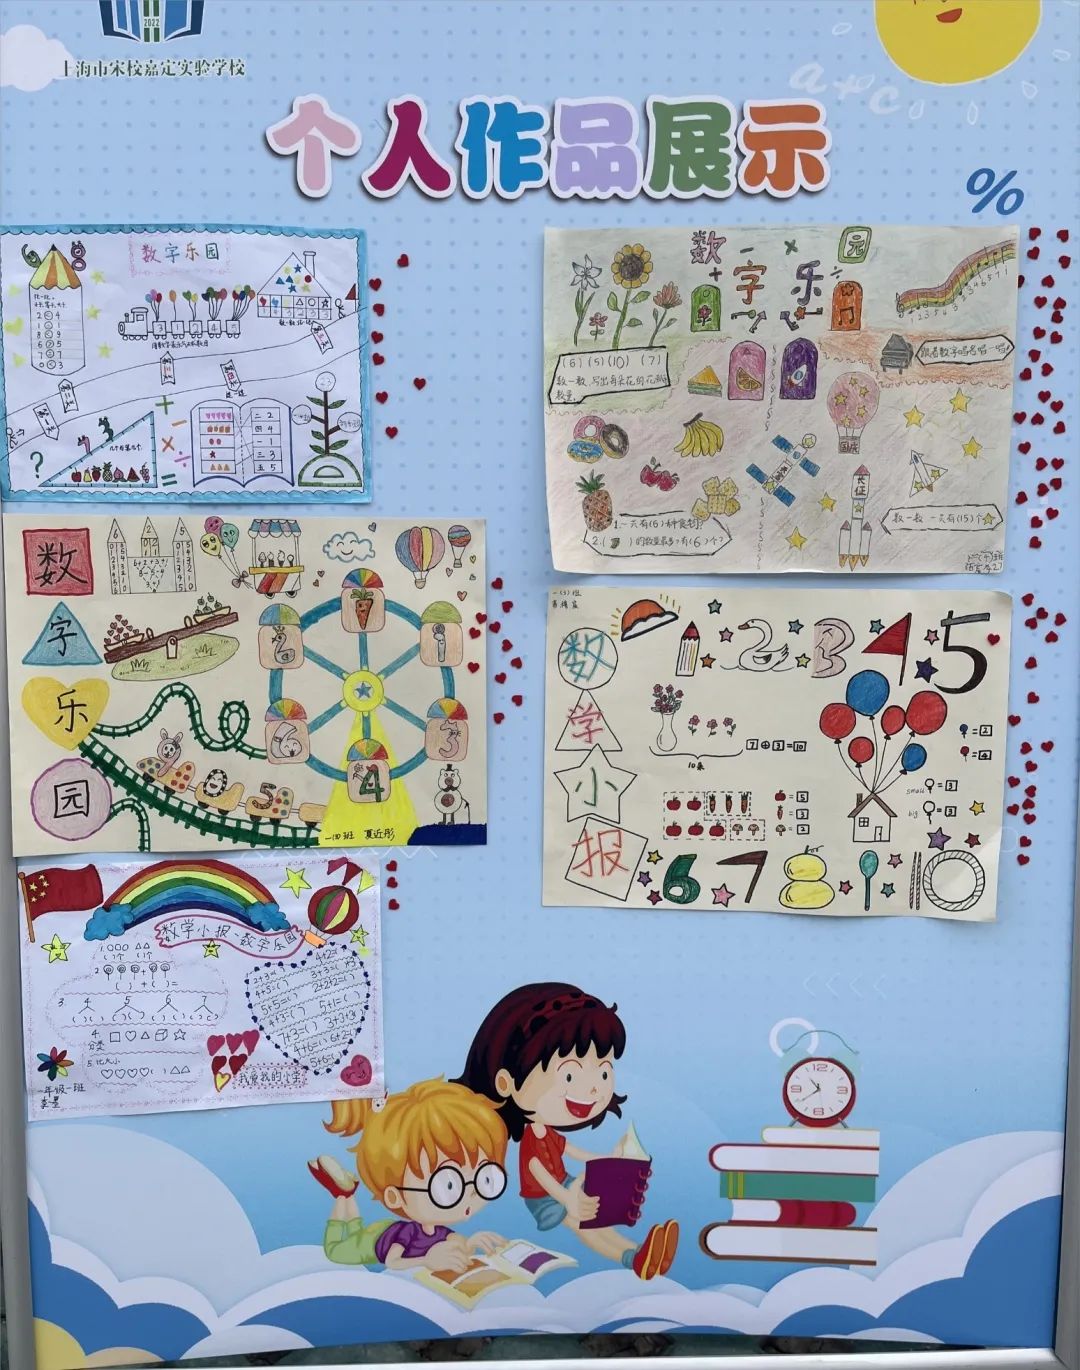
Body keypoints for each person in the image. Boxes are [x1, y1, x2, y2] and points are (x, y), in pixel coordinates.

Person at [455, 982, 677, 1279]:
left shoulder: (547, 1131)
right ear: (506, 1083)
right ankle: (630, 1258)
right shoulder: (531, 1137)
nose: (594, 1089)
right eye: (570, 1075)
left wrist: (609, 1161)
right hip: (545, 1198)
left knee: (597, 1221)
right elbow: (537, 1172)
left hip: (563, 1184)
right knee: (583, 1224)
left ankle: (640, 1253)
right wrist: (566, 1199)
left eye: (603, 1072)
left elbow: (572, 1151)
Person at [309, 1079, 510, 1273]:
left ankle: (347, 1192)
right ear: (394, 1196)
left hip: (383, 1230)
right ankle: (341, 1195)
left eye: (486, 1178)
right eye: (448, 1185)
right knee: (335, 1250)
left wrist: (472, 1242)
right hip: (370, 1243)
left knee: (356, 1229)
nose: (471, 1193)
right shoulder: (407, 1235)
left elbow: (459, 1245)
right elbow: (393, 1262)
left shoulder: (439, 1232)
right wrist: (426, 1261)